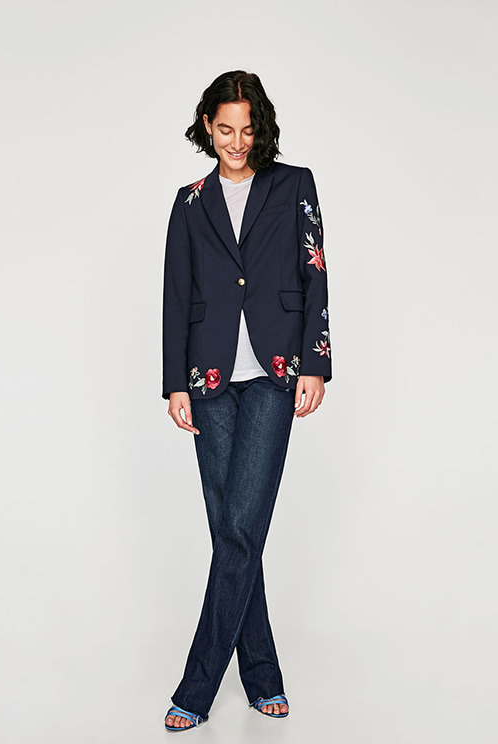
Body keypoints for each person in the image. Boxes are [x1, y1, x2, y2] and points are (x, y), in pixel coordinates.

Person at [161, 70, 332, 732]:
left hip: (273, 372)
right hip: (207, 379)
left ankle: (197, 685)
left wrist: (316, 362)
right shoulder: (189, 202)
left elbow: (315, 273)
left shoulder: (294, 186)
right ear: (208, 127)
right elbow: (177, 293)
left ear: (262, 129)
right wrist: (175, 382)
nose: (236, 142)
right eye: (225, 129)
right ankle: (263, 676)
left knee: (238, 529)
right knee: (235, 532)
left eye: (247, 130)